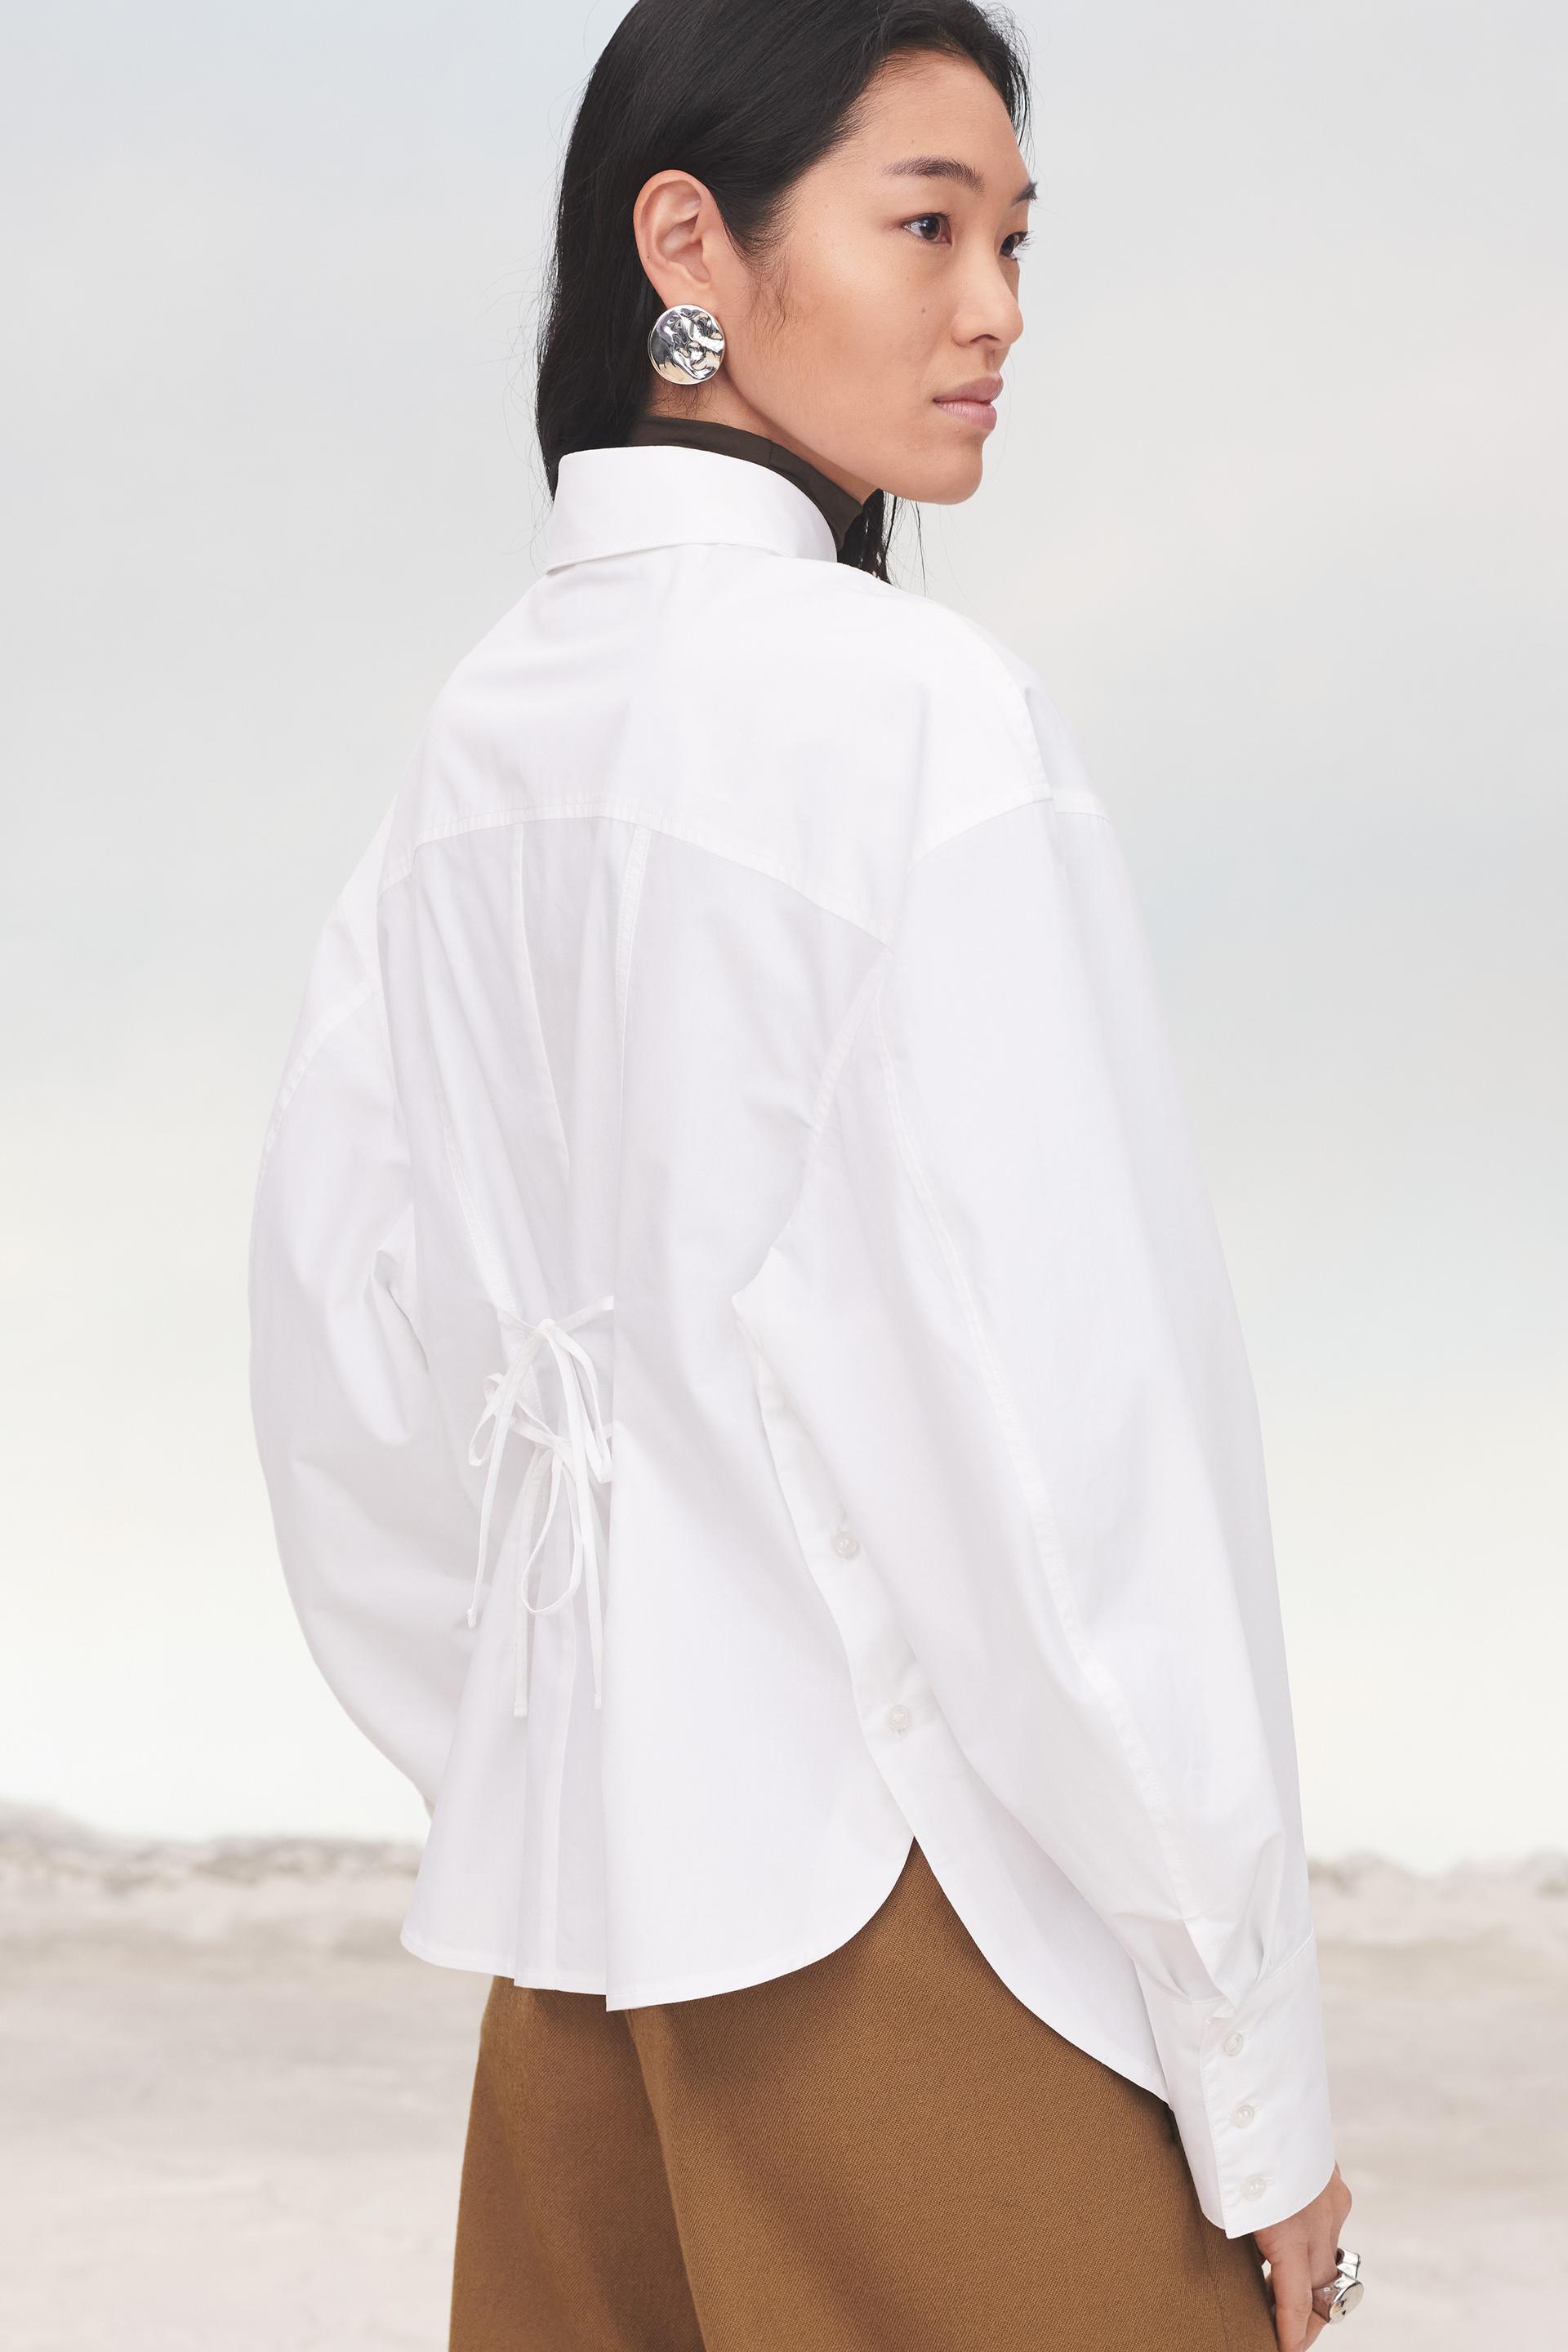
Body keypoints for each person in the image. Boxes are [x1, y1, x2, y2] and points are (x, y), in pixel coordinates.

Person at [247, 2, 1363, 2345]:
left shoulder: (477, 742)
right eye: (928, 226)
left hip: (580, 1987)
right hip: (923, 1956)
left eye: (1018, 243)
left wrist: (551, 1743)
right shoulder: (918, 720)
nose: (998, 310)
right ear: (690, 247)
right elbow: (1079, 1468)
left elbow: (341, 1371)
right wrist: (1255, 2074)